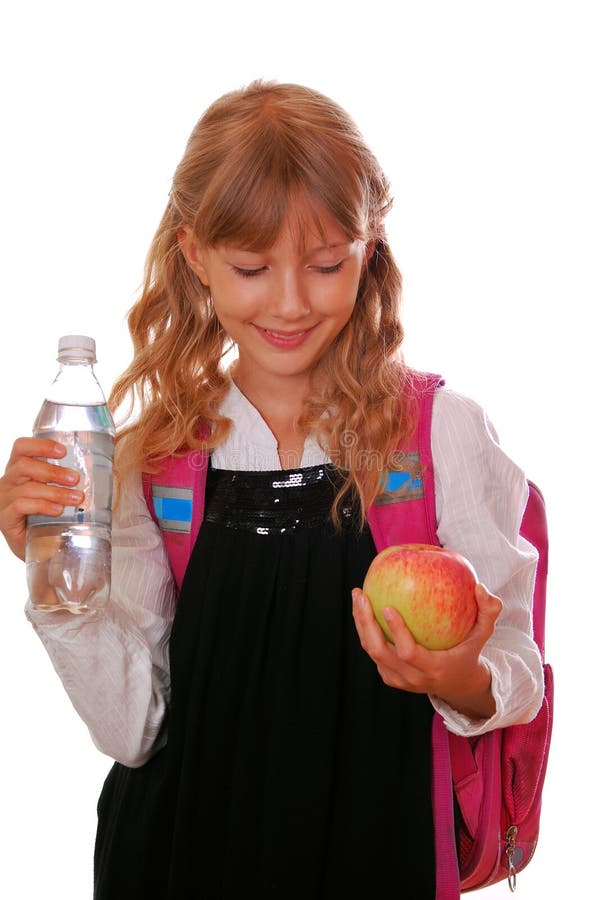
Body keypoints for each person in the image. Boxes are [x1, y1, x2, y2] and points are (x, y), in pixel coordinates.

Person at [0, 80, 544, 899]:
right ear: (195, 258)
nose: (290, 303)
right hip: (179, 858)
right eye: (251, 267)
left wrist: (455, 676)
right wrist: (56, 575)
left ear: (369, 248)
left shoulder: (438, 434)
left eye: (326, 265)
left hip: (373, 851)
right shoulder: (155, 458)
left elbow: (520, 672)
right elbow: (133, 729)